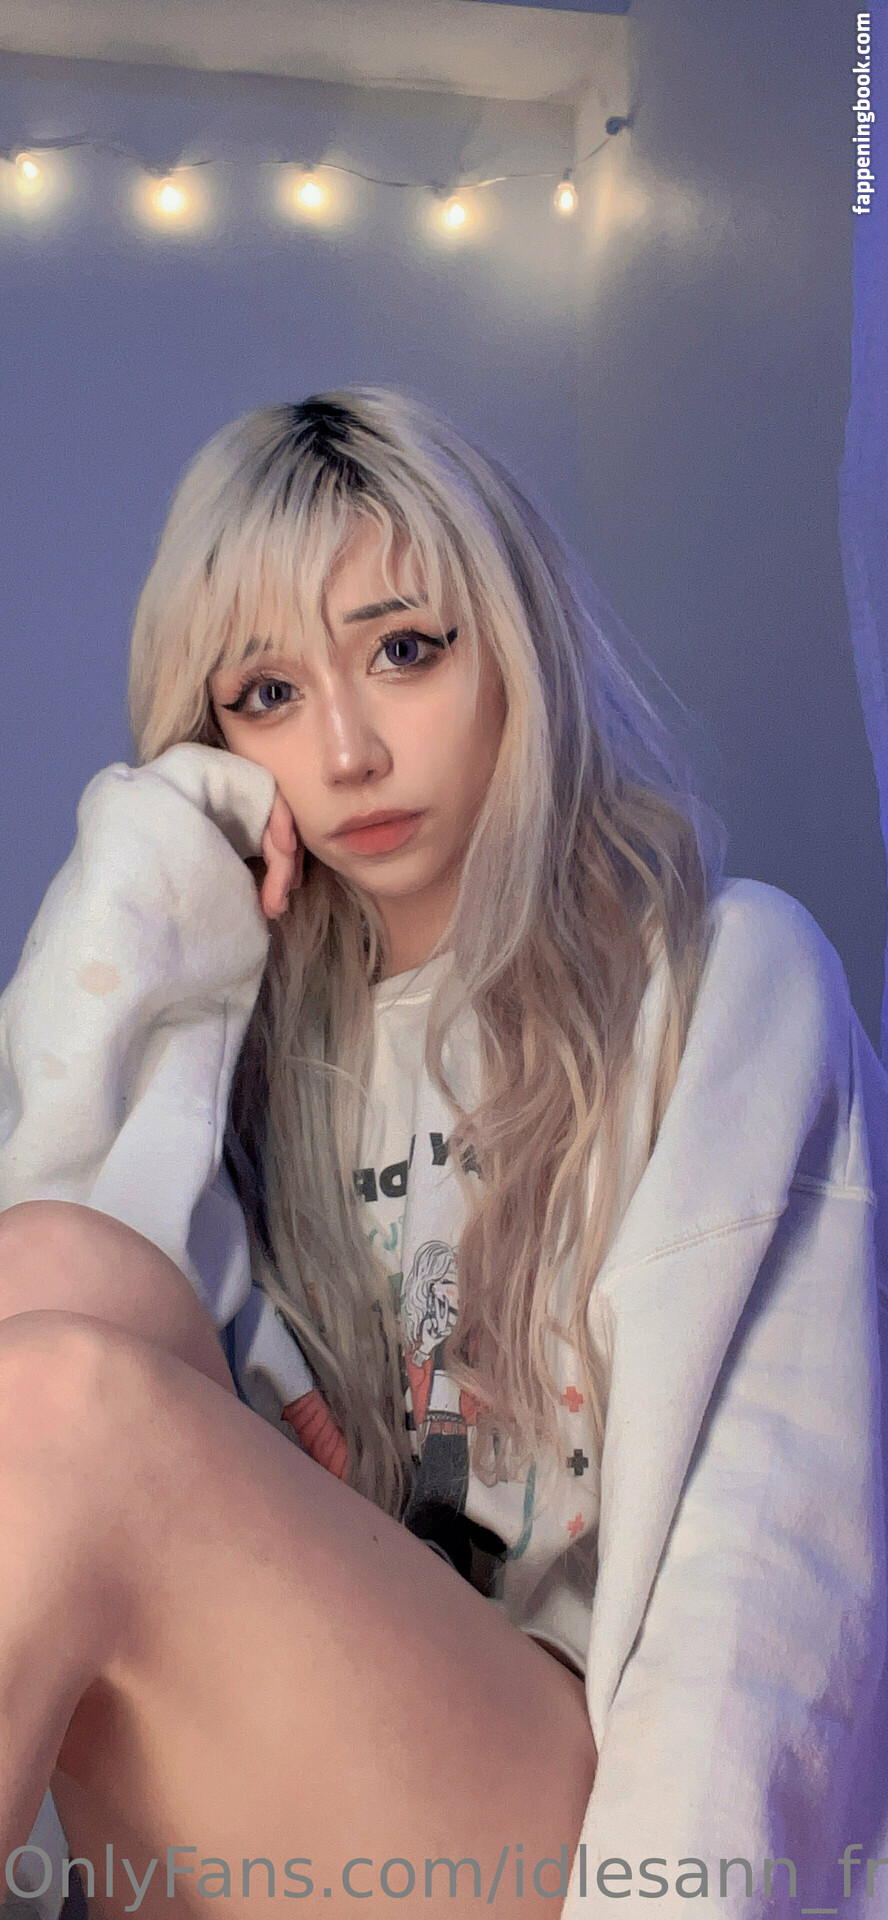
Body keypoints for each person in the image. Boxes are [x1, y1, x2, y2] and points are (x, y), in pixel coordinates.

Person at [0, 388, 886, 1920]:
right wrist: (145, 895)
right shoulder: (252, 1044)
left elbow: (769, 1563)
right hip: (287, 1799)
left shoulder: (720, 978)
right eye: (267, 694)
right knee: (57, 1270)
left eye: (404, 650)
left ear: (513, 647)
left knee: (63, 1402)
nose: (345, 751)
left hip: (578, 1821)